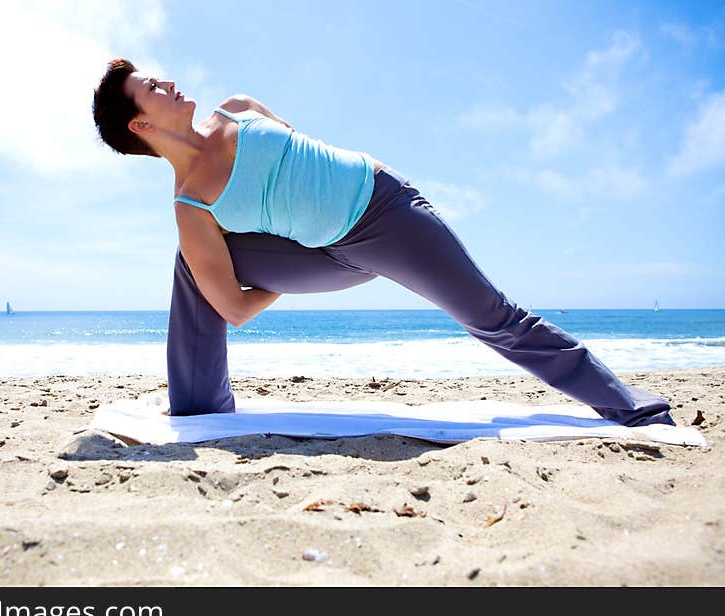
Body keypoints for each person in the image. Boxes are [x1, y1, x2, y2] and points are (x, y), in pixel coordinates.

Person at [91, 58, 675, 427]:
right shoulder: (191, 207)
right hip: (326, 256)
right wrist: (281, 271)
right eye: (151, 86)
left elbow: (303, 166)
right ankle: (199, 411)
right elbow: (236, 308)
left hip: (386, 213)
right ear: (139, 125)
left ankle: (627, 403)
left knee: (493, 316)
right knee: (195, 264)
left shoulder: (239, 108)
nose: (167, 80)